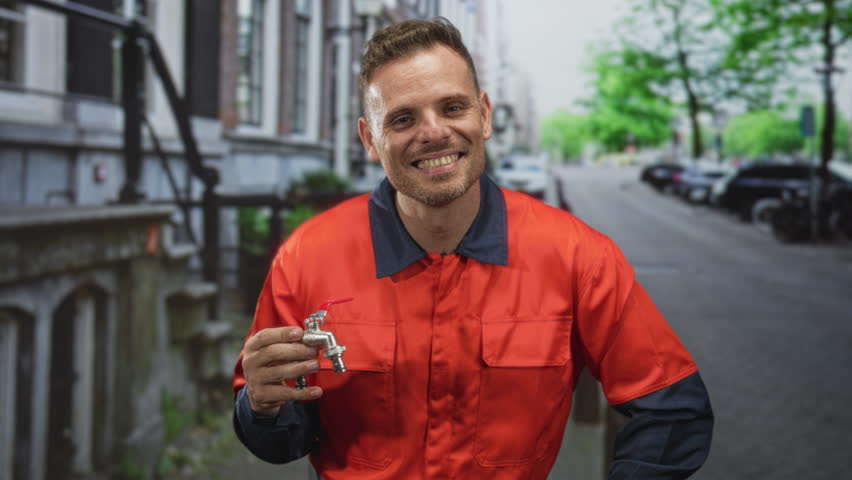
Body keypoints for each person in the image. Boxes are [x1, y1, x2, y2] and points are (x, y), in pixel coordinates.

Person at [232, 17, 713, 480]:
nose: (433, 131)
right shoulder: (307, 257)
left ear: (484, 115)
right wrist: (260, 405)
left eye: (452, 108)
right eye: (402, 118)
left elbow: (673, 410)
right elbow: (281, 444)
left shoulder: (577, 256)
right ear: (370, 140)